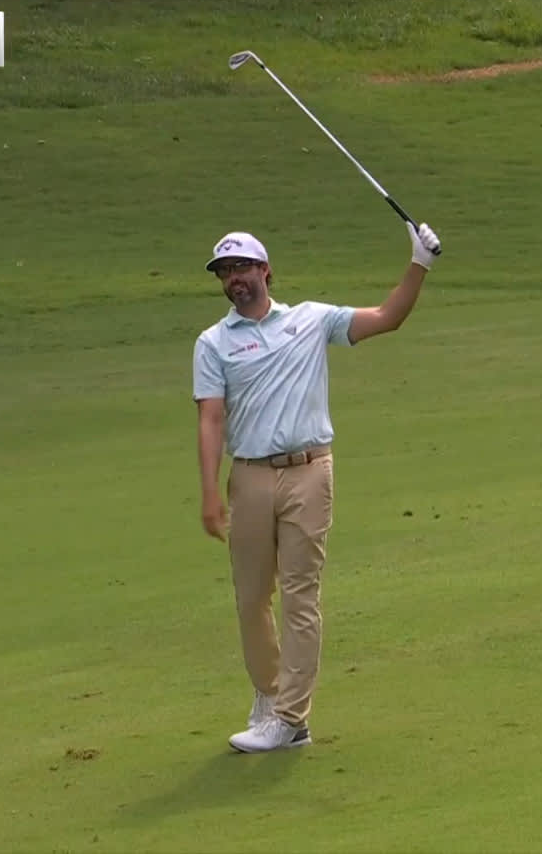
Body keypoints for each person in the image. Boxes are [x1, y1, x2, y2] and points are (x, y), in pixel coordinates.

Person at [191, 221, 443, 753]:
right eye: (224, 272)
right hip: (251, 477)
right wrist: (210, 494)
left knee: (301, 596)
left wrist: (419, 262)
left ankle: (290, 718)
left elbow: (388, 318)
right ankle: (270, 695)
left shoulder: (310, 320)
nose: (234, 279)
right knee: (252, 598)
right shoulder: (212, 343)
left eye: (241, 267)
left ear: (265, 270)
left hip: (309, 471)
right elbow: (211, 420)